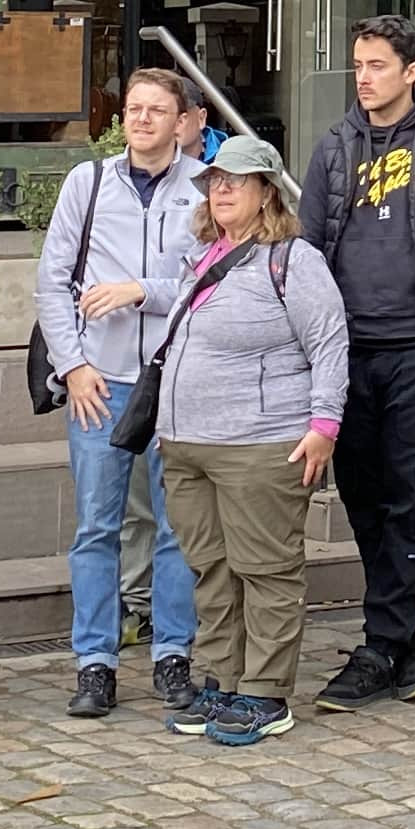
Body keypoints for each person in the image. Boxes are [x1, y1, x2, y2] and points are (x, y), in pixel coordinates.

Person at [299, 18, 415, 709]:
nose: (364, 77)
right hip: (347, 354)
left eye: (377, 65)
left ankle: (380, 646)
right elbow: (306, 249)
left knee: (413, 498)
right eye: (358, 65)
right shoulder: (333, 147)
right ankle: (402, 646)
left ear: (412, 72)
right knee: (363, 498)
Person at [156, 135, 351, 748]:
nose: (221, 190)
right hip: (187, 444)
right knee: (211, 570)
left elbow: (329, 342)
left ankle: (265, 692)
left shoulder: (293, 260)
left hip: (261, 443)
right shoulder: (201, 256)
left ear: (267, 191)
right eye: (215, 181)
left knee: (265, 570)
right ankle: (224, 677)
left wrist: (324, 425)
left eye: (236, 181)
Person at [33, 69, 207, 720]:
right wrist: (73, 366)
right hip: (99, 383)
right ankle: (95, 662)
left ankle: (173, 654)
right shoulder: (88, 183)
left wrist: (142, 290)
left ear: (182, 121)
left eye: (156, 110)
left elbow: (209, 281)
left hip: (174, 378)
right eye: (133, 108)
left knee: (178, 526)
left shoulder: (205, 188)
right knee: (96, 528)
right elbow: (52, 282)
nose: (141, 119)